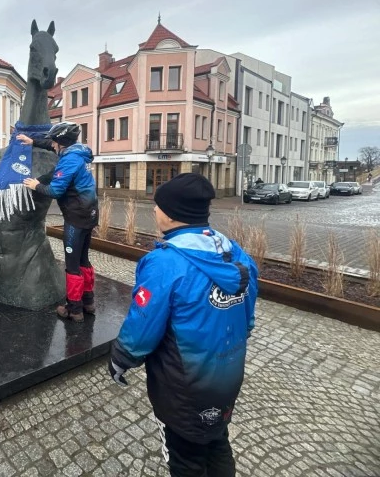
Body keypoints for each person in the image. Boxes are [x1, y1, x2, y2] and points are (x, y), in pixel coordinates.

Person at [108, 173, 258, 477]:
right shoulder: (235, 253)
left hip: (182, 385)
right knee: (216, 440)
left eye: (158, 206)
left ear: (172, 214)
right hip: (227, 374)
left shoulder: (165, 263)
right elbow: (248, 316)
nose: (154, 211)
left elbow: (143, 324)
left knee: (185, 457)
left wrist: (121, 358)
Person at [22, 122, 98, 322]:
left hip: (75, 217)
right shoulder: (80, 152)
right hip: (90, 214)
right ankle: (88, 302)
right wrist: (34, 141)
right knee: (84, 260)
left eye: (54, 142)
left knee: (72, 264)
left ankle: (74, 309)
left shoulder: (69, 161)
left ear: (61, 143)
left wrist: (36, 185)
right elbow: (51, 143)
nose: (53, 146)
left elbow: (55, 191)